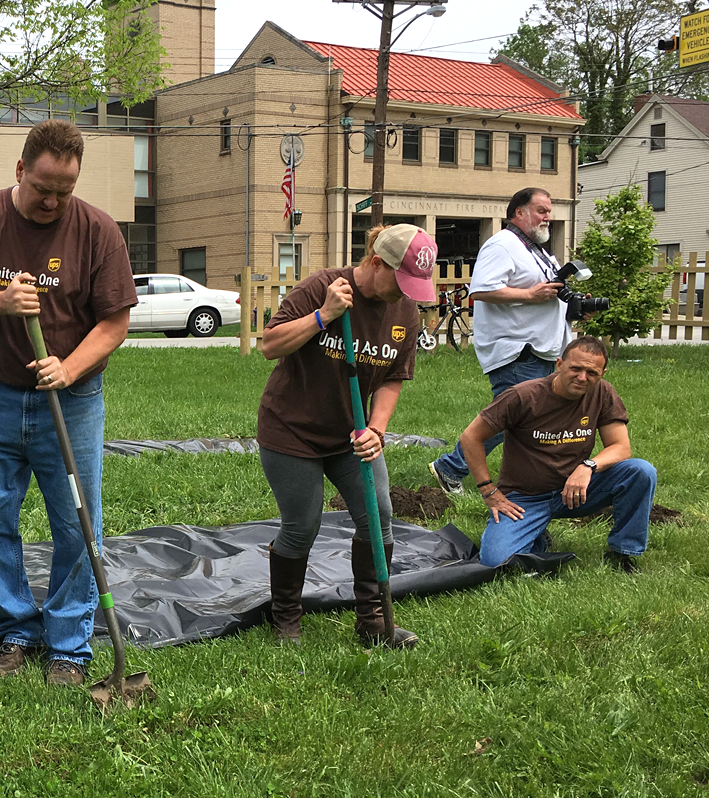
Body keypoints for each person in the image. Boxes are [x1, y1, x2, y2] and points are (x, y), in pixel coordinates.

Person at [0, 119, 136, 687]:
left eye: (62, 191)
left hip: (71, 400)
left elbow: (115, 321)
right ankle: (17, 627)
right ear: (20, 169)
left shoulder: (97, 231)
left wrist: (68, 368)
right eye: (42, 187)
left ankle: (69, 642)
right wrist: (0, 300)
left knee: (76, 521)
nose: (50, 201)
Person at [258, 223, 438, 649]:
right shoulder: (323, 286)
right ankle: (286, 617)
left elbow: (394, 377)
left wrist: (377, 429)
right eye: (402, 280)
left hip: (352, 436)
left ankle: (374, 620)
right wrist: (325, 316)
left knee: (378, 514)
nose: (407, 293)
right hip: (292, 432)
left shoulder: (404, 311)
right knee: (303, 526)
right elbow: (270, 344)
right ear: (376, 262)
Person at [462, 335, 656, 571]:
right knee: (496, 563)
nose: (583, 378)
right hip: (525, 498)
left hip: (575, 492)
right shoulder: (523, 396)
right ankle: (537, 537)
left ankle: (623, 552)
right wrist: (488, 491)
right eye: (575, 368)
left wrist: (588, 466)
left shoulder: (602, 393)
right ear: (559, 364)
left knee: (641, 471)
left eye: (592, 373)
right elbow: (470, 437)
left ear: (602, 374)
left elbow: (621, 447)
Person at [429, 187, 570, 494]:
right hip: (518, 350)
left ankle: (533, 480)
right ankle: (450, 467)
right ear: (518, 213)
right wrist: (530, 295)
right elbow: (480, 290)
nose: (549, 217)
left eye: (549, 211)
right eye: (542, 211)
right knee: (506, 419)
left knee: (529, 421)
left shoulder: (538, 249)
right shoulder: (502, 245)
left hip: (543, 350)